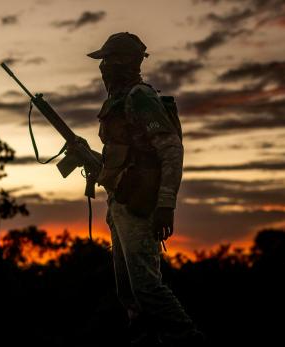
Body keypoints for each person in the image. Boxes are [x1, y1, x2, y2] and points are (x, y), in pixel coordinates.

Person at [85, 32, 205, 346]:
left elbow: (171, 150)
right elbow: (124, 158)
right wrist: (90, 158)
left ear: (125, 61)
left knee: (147, 287)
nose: (104, 68)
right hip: (121, 203)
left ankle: (189, 340)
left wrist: (166, 204)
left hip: (140, 205)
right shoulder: (118, 102)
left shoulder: (140, 97)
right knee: (130, 292)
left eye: (109, 60)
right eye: (103, 61)